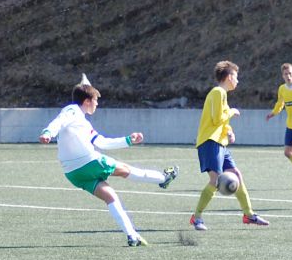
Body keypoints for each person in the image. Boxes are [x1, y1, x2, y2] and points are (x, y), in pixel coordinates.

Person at [39, 74, 178, 247]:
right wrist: (47, 133)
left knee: (110, 196)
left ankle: (132, 236)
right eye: (96, 100)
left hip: (73, 173)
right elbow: (58, 122)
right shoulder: (72, 110)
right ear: (87, 101)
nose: (97, 103)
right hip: (89, 162)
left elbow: (102, 142)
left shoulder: (83, 123)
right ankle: (164, 178)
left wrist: (128, 140)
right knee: (126, 170)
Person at [189, 61, 269, 231]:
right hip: (210, 142)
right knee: (215, 180)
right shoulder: (218, 92)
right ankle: (196, 218)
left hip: (219, 142)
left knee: (237, 175)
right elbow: (218, 118)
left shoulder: (221, 94)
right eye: (236, 77)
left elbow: (219, 120)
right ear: (229, 77)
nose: (238, 81)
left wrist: (229, 130)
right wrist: (232, 111)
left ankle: (248, 215)